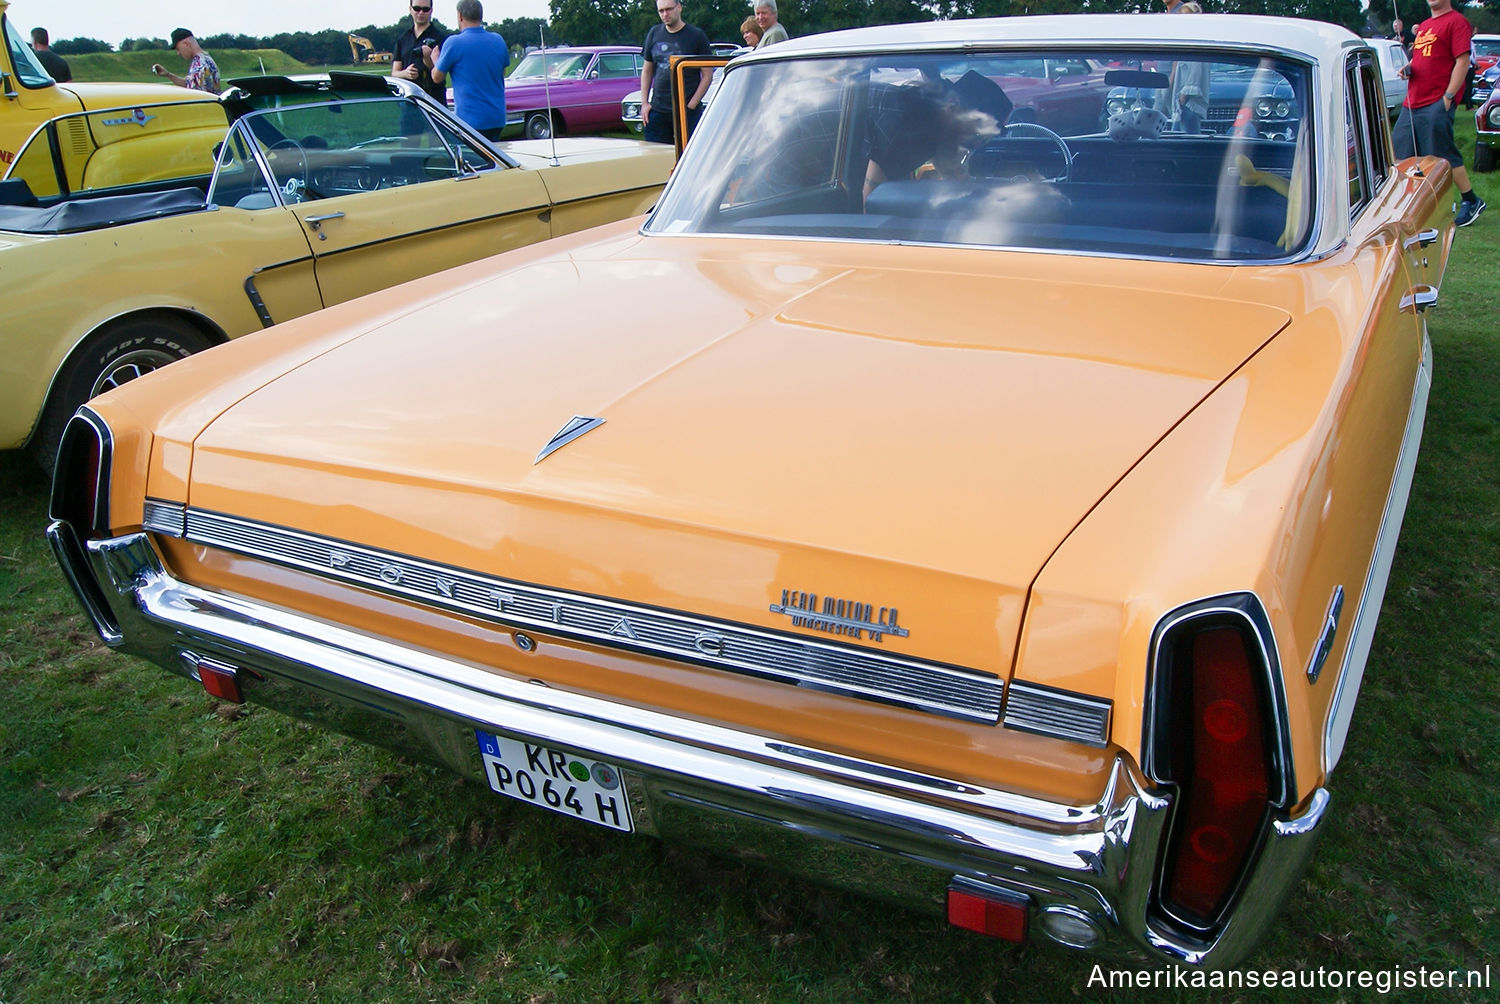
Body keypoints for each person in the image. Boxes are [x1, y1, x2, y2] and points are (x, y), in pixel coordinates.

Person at [1394, 0, 1485, 226]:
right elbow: (1421, 57)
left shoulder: (1457, 22)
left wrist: (1449, 97)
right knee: (1400, 153)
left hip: (1437, 101)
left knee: (1441, 153)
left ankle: (1471, 200)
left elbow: (1462, 62)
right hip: (1412, 102)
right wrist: (1409, 68)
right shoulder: (1424, 25)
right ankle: (1411, 205)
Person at [432, 0, 510, 140]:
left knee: (472, 160)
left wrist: (435, 60)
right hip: (496, 118)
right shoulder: (498, 40)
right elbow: (502, 72)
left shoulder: (454, 43)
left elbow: (437, 77)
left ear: (460, 16)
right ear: (480, 15)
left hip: (469, 121)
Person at [639, 0, 712, 145]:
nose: (665, 14)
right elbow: (647, 71)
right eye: (661, 11)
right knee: (655, 156)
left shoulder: (696, 35)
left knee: (689, 157)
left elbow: (707, 75)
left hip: (687, 111)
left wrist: (691, 105)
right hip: (658, 110)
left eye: (669, 9)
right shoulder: (654, 33)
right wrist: (644, 103)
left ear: (679, 7)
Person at [393, 2, 447, 104]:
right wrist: (405, 73)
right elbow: (394, 73)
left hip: (434, 100)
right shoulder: (403, 39)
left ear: (431, 11)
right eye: (417, 8)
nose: (421, 12)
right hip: (409, 100)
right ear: (410, 9)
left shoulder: (440, 38)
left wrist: (428, 60)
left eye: (425, 9)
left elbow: (441, 75)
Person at [151, 29, 220, 93]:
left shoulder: (199, 65)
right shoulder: (205, 59)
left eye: (178, 49)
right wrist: (168, 74)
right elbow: (188, 83)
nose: (178, 53)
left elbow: (194, 94)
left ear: (186, 44)